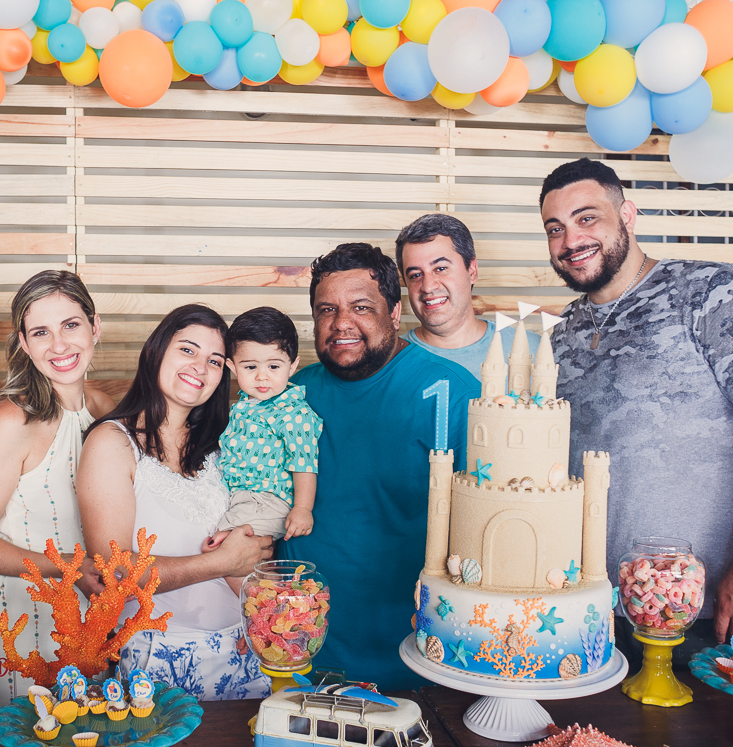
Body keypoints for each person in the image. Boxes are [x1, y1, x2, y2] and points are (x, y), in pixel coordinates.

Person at [539, 158, 733, 664]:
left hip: (701, 613)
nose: (571, 240)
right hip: (587, 614)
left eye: (587, 218)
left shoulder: (707, 291)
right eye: (556, 228)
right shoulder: (561, 334)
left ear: (627, 215)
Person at [279, 243, 481, 690]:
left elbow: (482, 532)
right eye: (326, 310)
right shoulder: (291, 394)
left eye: (361, 307)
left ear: (394, 312)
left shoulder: (454, 393)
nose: (341, 323)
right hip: (298, 655)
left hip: (420, 663)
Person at [78, 305, 273, 701]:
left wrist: (266, 610)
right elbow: (114, 573)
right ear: (156, 351)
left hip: (245, 652)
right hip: (158, 658)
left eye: (214, 360)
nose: (200, 367)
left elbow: (252, 544)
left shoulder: (225, 446)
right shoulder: (112, 443)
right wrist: (221, 562)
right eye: (187, 350)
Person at [0, 271, 115, 709]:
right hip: (21, 621)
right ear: (25, 344)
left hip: (92, 615)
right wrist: (70, 569)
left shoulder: (105, 408)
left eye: (71, 325)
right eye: (41, 332)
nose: (59, 345)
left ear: (95, 327)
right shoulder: (12, 421)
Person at [203, 307, 324, 596]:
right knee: (242, 558)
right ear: (232, 367)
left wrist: (303, 509)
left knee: (225, 554)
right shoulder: (244, 407)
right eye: (250, 367)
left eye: (273, 367)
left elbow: (304, 463)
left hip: (268, 500)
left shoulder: (293, 413)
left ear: (292, 366)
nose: (262, 377)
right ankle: (273, 602)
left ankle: (271, 609)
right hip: (242, 499)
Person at [396, 213, 539, 372]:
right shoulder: (390, 363)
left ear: (472, 271)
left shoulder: (536, 351)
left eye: (441, 268)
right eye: (415, 275)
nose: (428, 287)